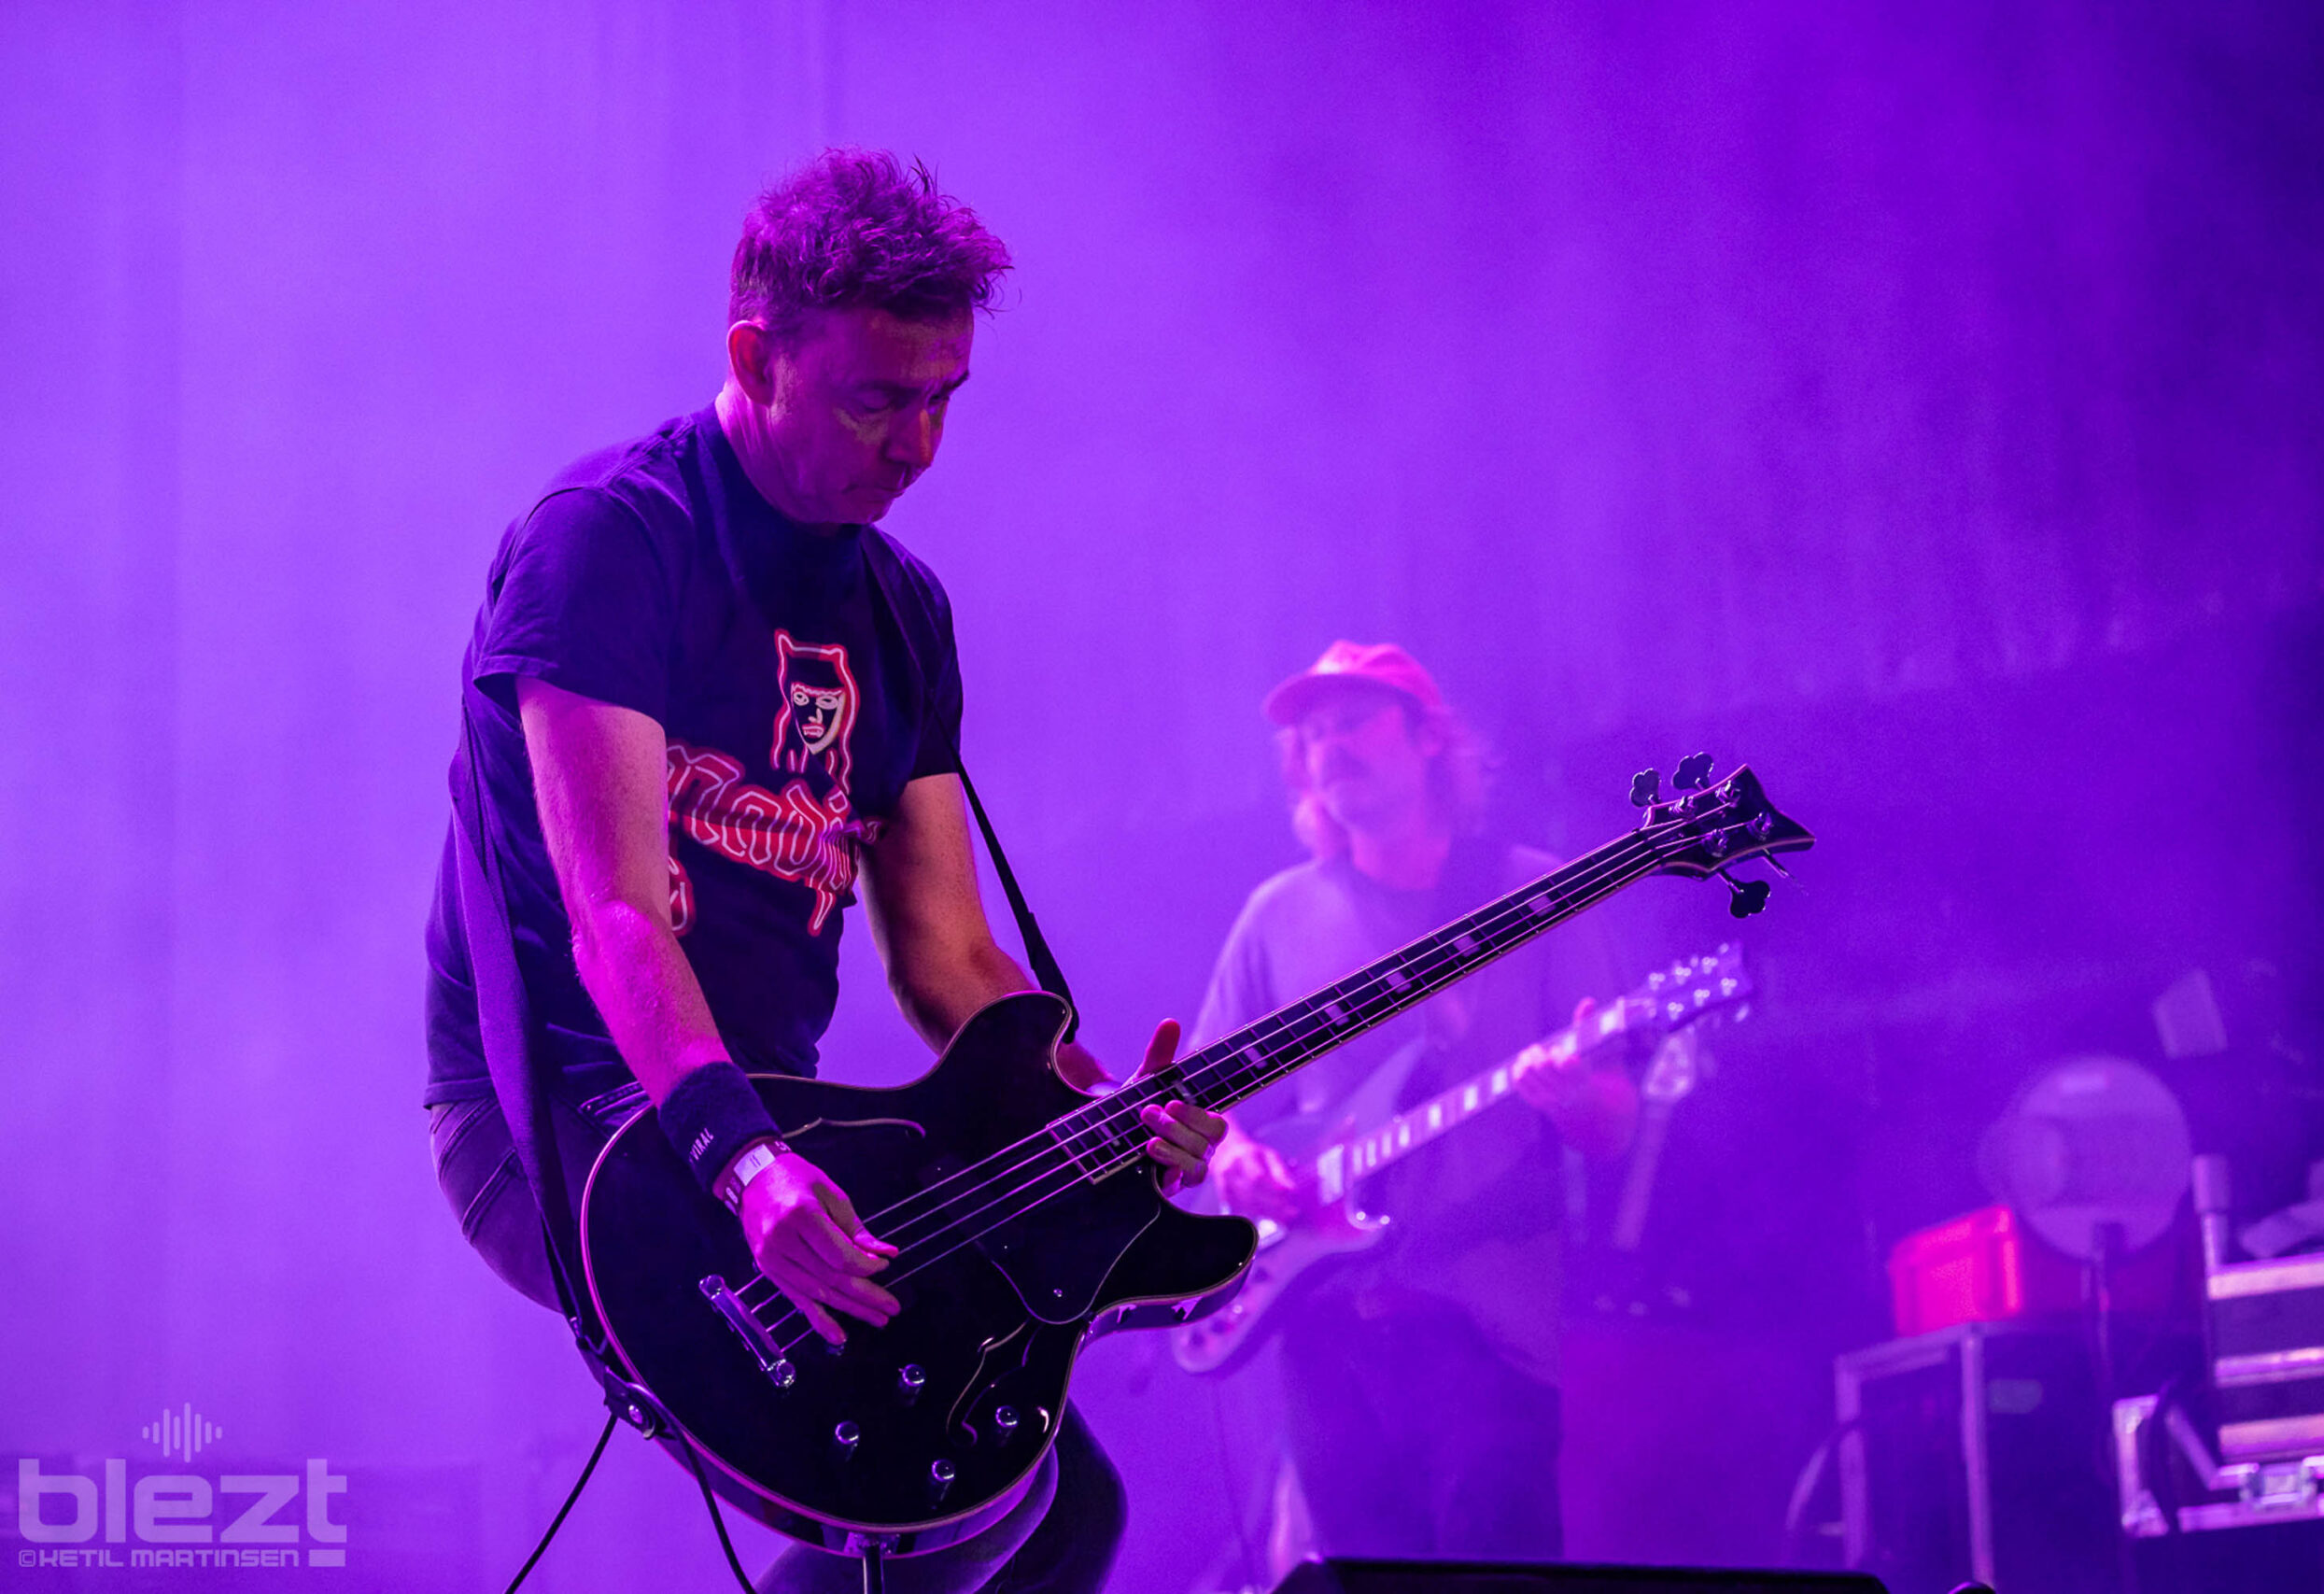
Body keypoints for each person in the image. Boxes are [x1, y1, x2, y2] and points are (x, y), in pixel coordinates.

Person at [421, 149, 1224, 1594]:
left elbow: (950, 963)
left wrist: (1101, 1114)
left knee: (1055, 1501)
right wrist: (741, 1162)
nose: (917, 444)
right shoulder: (610, 541)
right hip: (560, 1111)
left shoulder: (901, 610)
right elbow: (613, 913)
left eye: (943, 400)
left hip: (776, 1118)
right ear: (757, 355)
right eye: (876, 397)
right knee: (965, 1511)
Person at [1194, 641, 1641, 1563]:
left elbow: (1613, 1122)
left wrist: (1570, 1100)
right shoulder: (1274, 916)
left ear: (1430, 738)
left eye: (1352, 721)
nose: (1328, 749)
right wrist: (1231, 1158)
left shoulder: (1536, 894)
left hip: (1485, 1331)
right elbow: (1199, 1108)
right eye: (1311, 737)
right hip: (1324, 1339)